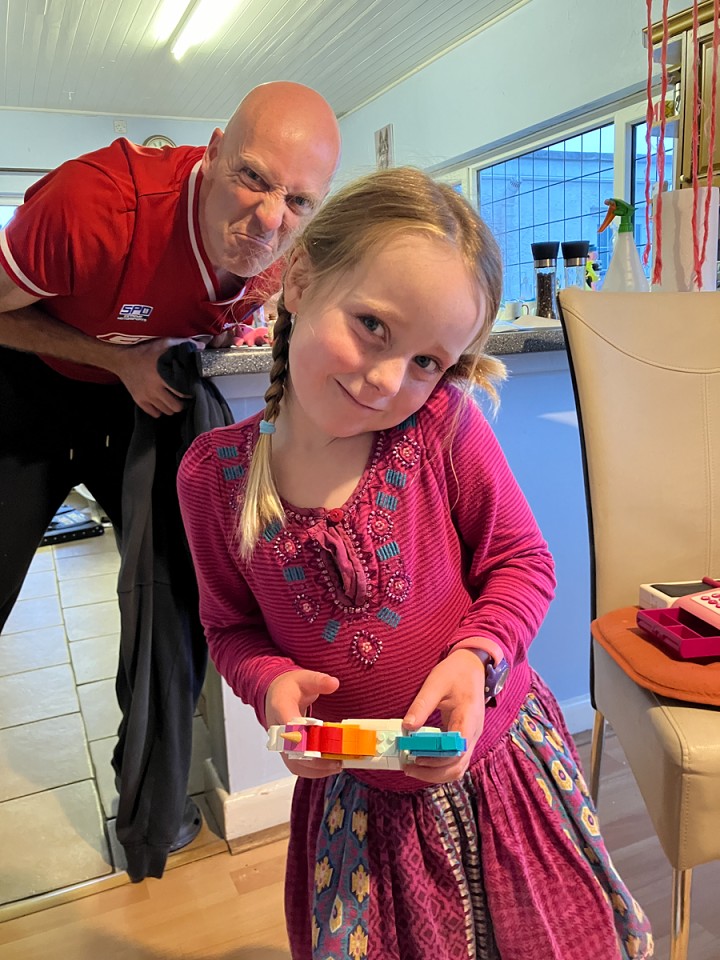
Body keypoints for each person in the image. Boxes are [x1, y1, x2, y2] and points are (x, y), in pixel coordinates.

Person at [177, 167, 653, 959]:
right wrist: (269, 685)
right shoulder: (212, 477)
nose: (388, 379)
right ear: (301, 280)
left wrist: (476, 657)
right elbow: (230, 630)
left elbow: (524, 562)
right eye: (372, 325)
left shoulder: (442, 430)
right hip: (359, 809)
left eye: (428, 361)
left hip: (503, 774)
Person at [0, 81, 342, 870]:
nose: (270, 220)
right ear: (213, 153)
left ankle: (149, 815)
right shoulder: (93, 207)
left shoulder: (284, 256)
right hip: (26, 385)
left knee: (172, 598)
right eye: (253, 178)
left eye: (298, 200)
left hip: (137, 398)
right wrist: (117, 359)